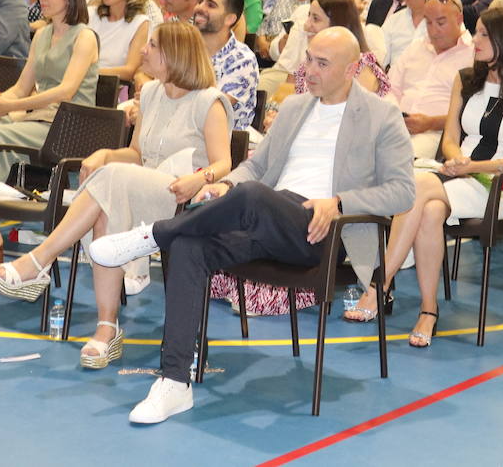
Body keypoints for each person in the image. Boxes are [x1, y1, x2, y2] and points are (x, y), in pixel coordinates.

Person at [88, 27, 414, 424]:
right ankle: (174, 382)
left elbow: (402, 192)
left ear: (350, 70)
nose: (307, 69)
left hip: (321, 232)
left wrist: (341, 201)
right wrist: (223, 184)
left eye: (321, 63)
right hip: (267, 219)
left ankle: (152, 236)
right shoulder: (296, 107)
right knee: (194, 246)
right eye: (308, 57)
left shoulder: (382, 115)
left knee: (253, 196)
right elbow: (255, 168)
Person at [0, 18, 231, 361]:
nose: (144, 50)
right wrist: (104, 152)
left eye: (153, 45)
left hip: (185, 198)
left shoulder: (210, 101)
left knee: (112, 181)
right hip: (143, 188)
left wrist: (201, 177)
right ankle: (107, 327)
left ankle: (40, 260)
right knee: (105, 199)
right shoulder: (151, 95)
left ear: (175, 53)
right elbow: (137, 155)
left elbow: (224, 164)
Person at [348, 7, 503, 346]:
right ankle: (428, 311)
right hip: (454, 174)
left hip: (494, 185)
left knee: (419, 185)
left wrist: (472, 168)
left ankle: (379, 285)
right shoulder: (467, 79)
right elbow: (450, 138)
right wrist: (456, 160)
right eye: (477, 32)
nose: (476, 40)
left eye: (484, 34)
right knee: (430, 210)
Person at [0, 0, 100, 269]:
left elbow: (66, 90)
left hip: (70, 126)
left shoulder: (84, 36)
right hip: (38, 120)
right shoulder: (43, 34)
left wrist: (11, 107)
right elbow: (22, 87)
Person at [388, 0, 475, 159]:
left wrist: (431, 123)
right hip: (395, 126)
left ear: (459, 19)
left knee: (395, 159)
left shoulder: (473, 55)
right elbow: (390, 88)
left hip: (436, 134)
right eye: (428, 23)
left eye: (441, 23)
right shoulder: (416, 47)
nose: (434, 31)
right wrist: (394, 115)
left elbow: (471, 113)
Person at [192, 0, 258, 130]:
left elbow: (214, 107)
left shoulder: (242, 59)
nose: (200, 8)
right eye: (200, 1)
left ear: (230, 19)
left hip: (223, 142)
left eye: (211, 5)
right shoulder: (185, 47)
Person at [90, 0, 152, 84]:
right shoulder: (91, 13)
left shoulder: (140, 22)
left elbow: (129, 71)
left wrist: (86, 72)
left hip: (110, 88)